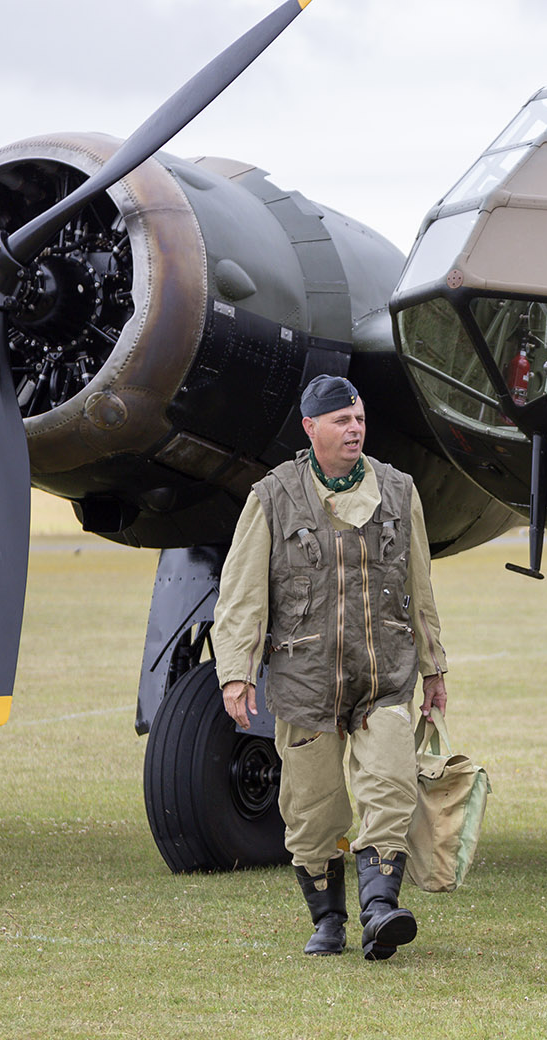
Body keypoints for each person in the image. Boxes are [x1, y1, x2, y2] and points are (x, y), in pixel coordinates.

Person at [214, 374, 449, 962]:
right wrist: (236, 670)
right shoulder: (271, 497)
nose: (355, 429)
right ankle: (328, 919)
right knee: (313, 810)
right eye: (342, 420)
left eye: (360, 419)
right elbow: (242, 594)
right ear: (310, 427)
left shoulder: (399, 492)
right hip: (305, 681)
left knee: (389, 787)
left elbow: (420, 587)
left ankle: (380, 910)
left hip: (385, 676)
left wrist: (434, 668)